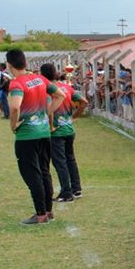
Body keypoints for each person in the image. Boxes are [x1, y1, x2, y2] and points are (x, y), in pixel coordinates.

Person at [6, 49, 65, 224]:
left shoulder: (17, 84)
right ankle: (48, 211)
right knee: (44, 171)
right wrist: (46, 113)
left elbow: (15, 107)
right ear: (25, 62)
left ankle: (40, 214)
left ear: (10, 65)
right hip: (44, 133)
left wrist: (13, 124)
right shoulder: (41, 79)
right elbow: (59, 95)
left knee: (33, 175)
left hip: (27, 136)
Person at [41, 64, 87, 203]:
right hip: (69, 130)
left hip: (56, 132)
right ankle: (76, 189)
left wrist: (50, 126)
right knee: (70, 159)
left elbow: (50, 110)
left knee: (60, 162)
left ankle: (66, 192)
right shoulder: (66, 87)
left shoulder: (48, 90)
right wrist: (73, 117)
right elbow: (84, 102)